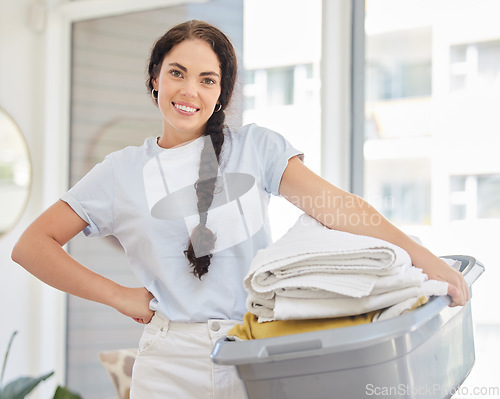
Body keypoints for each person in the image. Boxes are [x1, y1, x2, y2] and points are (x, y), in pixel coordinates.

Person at [11, 20, 469, 399]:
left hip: (255, 350)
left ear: (221, 93)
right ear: (154, 79)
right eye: (177, 72)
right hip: (167, 364)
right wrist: (118, 295)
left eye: (207, 79)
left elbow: (339, 208)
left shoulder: (257, 148)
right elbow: (32, 245)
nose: (189, 89)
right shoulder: (121, 171)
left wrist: (429, 263)